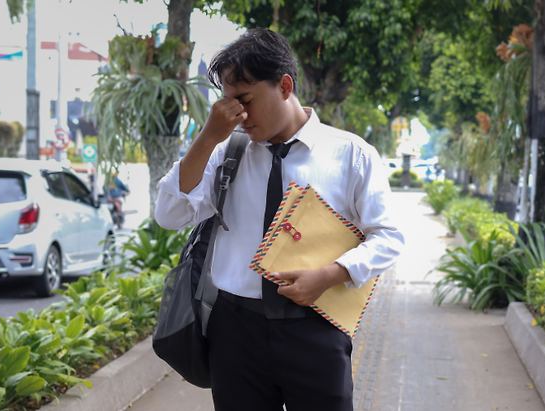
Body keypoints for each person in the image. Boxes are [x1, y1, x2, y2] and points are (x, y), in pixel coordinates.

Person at [155, 28, 403, 411]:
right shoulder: (226, 153)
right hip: (235, 331)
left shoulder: (351, 154)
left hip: (316, 327)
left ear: (284, 86)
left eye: (245, 100)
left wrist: (331, 274)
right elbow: (169, 215)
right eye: (227, 102)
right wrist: (207, 138)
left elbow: (387, 236)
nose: (237, 115)